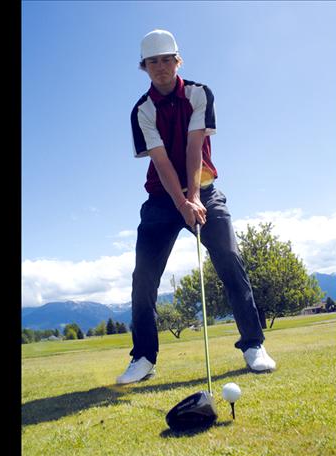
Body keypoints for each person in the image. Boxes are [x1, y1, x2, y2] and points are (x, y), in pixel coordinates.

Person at [116, 29, 276, 384]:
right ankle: (143, 357)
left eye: (166, 60)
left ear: (178, 61)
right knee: (143, 279)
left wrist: (194, 198)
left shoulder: (199, 94)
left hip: (203, 188)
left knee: (230, 259)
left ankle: (253, 344)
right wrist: (181, 201)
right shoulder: (141, 111)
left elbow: (193, 147)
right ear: (144, 67)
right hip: (161, 199)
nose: (160, 67)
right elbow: (160, 161)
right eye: (152, 62)